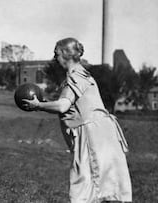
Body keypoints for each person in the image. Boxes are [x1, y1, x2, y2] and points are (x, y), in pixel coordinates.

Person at [23, 38, 132, 203]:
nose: (55, 58)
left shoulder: (75, 77)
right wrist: (44, 104)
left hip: (92, 136)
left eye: (57, 54)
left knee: (84, 188)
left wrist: (38, 105)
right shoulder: (85, 75)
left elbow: (62, 106)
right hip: (103, 133)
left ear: (66, 55)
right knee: (106, 186)